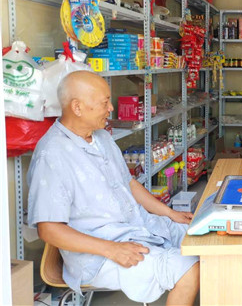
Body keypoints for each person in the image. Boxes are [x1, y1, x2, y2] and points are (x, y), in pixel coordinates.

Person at [27, 71, 199, 305]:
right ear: (77, 107)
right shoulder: (52, 155)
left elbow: (128, 183)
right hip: (99, 252)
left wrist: (170, 213)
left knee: (202, 238)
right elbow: (48, 229)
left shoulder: (102, 138)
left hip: (138, 227)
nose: (111, 108)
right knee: (189, 269)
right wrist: (111, 249)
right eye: (105, 102)